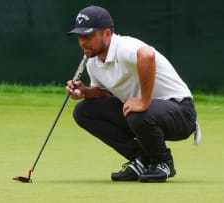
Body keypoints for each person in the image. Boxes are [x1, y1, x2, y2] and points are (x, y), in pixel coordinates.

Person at [66, 5, 200, 182]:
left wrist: (144, 101)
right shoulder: (93, 62)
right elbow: (107, 95)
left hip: (181, 113)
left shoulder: (125, 46)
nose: (83, 42)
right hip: (144, 116)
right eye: (80, 37)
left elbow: (147, 56)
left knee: (137, 112)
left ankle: (163, 162)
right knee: (84, 111)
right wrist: (86, 92)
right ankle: (142, 159)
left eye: (88, 36)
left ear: (107, 34)